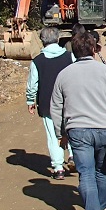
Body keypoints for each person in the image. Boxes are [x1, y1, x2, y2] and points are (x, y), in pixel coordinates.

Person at [51, 30, 106, 210]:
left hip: (78, 130)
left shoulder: (64, 74)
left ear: (73, 50)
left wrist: (61, 133)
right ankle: (103, 204)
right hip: (104, 128)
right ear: (95, 49)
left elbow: (56, 108)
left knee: (85, 172)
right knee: (102, 168)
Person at [25, 27, 74, 179]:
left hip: (47, 103)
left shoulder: (37, 61)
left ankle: (58, 168)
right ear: (58, 39)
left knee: (53, 135)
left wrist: (30, 100)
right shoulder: (69, 57)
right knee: (72, 129)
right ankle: (74, 156)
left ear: (42, 40)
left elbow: (32, 84)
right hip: (69, 101)